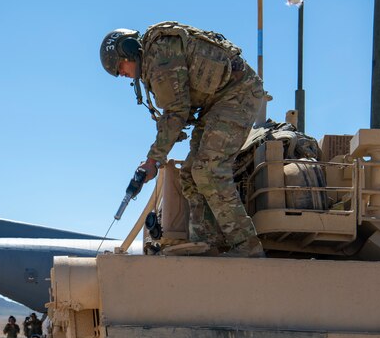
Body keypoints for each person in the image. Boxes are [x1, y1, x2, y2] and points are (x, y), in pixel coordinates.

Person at [100, 22, 265, 257]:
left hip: (239, 94)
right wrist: (155, 158)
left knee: (208, 170)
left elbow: (176, 112)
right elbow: (177, 113)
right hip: (216, 104)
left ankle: (247, 246)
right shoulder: (153, 63)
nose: (123, 74)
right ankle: (208, 243)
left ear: (128, 50)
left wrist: (152, 160)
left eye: (120, 67)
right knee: (189, 173)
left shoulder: (160, 56)